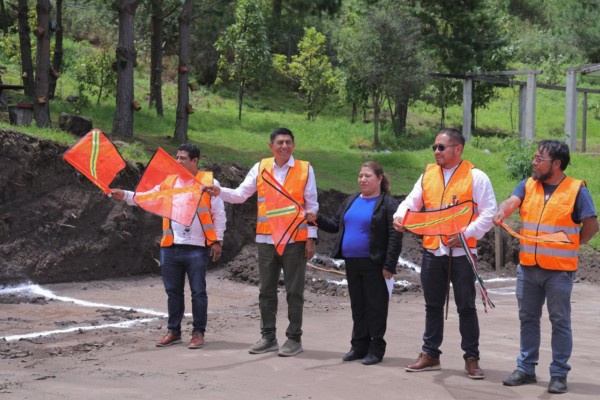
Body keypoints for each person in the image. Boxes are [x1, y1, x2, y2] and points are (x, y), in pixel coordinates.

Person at [493, 140, 598, 394]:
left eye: (540, 159)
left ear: (556, 164)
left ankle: (559, 374)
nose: (534, 162)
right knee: (528, 319)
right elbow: (511, 202)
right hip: (528, 268)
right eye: (535, 157)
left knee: (560, 321)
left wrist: (573, 244)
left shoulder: (576, 190)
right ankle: (526, 368)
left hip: (559, 271)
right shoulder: (528, 185)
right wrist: (502, 211)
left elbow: (591, 226)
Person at [392, 128, 497, 379]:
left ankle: (471, 358)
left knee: (466, 307)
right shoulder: (428, 174)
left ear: (458, 149)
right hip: (432, 250)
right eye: (435, 147)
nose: (436, 151)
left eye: (441, 147)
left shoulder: (476, 177)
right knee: (433, 305)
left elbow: (489, 213)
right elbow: (411, 202)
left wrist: (465, 233)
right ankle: (430, 354)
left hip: (462, 253)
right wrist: (400, 215)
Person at [205, 127, 318, 357]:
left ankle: (294, 338)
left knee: (294, 291)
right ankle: (268, 337)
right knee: (266, 290)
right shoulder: (261, 167)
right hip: (266, 239)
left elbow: (312, 206)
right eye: (280, 142)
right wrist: (219, 191)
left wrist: (311, 238)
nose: (284, 146)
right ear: (271, 146)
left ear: (294, 145)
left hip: (294, 239)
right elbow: (240, 195)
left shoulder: (305, 169)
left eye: (288, 142)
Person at [111, 143, 226, 349]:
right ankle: (174, 331)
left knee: (198, 292)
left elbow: (219, 213)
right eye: (177, 157)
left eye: (183, 158)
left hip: (197, 247)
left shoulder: (209, 182)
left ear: (195, 161)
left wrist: (217, 240)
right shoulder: (169, 182)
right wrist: (126, 195)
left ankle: (198, 333)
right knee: (173, 292)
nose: (178, 161)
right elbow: (148, 197)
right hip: (171, 246)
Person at [305, 161, 402, 366]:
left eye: (368, 176)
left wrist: (389, 265)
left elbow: (395, 236)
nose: (363, 179)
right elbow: (335, 225)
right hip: (352, 262)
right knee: (358, 306)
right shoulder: (351, 200)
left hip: (374, 263)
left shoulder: (388, 204)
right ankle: (359, 346)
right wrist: (317, 218)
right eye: (360, 176)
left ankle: (376, 349)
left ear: (379, 178)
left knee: (376, 307)